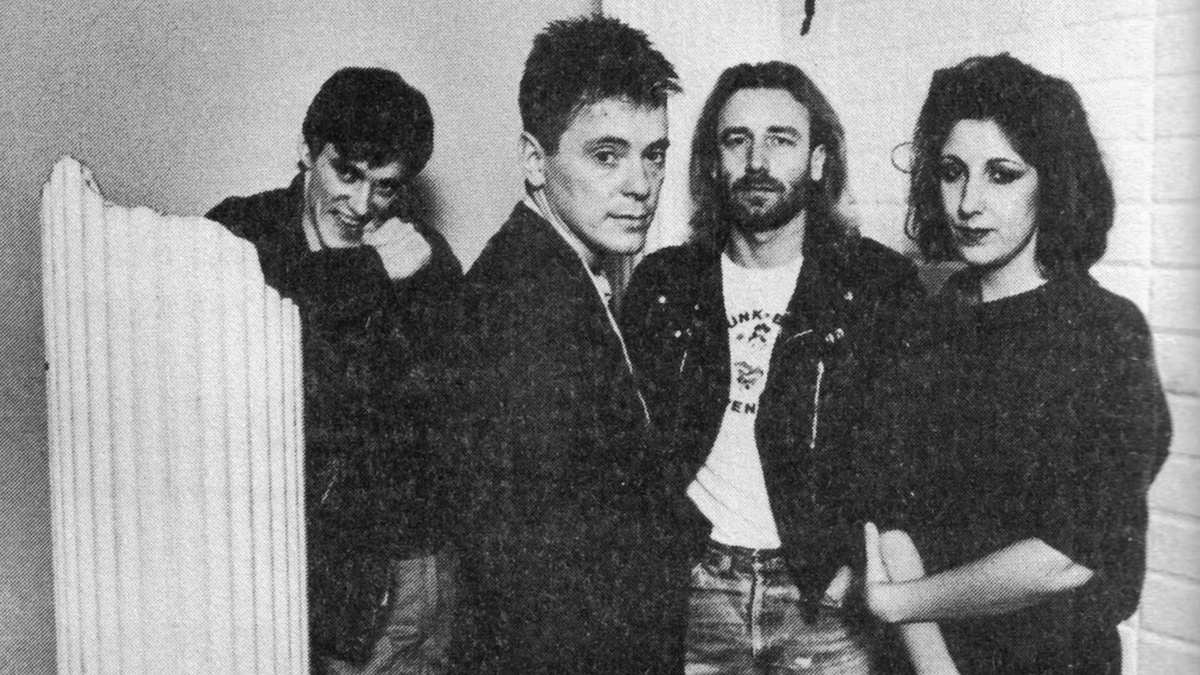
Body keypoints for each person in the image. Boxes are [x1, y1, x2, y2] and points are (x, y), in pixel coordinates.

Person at [856, 53, 1172, 674]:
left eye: (1002, 175)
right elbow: (890, 513)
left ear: (1052, 183)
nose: (968, 203)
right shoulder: (922, 320)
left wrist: (900, 604)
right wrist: (935, 665)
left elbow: (1067, 558)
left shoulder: (1107, 332)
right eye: (952, 173)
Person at [620, 61, 927, 674]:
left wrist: (852, 568)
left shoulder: (879, 285)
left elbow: (907, 455)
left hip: (823, 598)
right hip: (695, 591)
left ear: (817, 161)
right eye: (736, 140)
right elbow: (626, 449)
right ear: (713, 163)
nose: (757, 160)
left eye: (781, 140)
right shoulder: (665, 283)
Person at [439, 14, 685, 675]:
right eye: (606, 155)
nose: (640, 184)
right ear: (534, 160)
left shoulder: (564, 272)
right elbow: (528, 575)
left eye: (654, 154)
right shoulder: (522, 300)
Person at [205, 67, 462, 675]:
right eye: (346, 173)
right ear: (306, 150)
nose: (361, 204)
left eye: (385, 187)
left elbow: (434, 429)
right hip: (259, 550)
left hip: (392, 569)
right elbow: (221, 333)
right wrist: (368, 273)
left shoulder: (424, 259)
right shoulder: (239, 232)